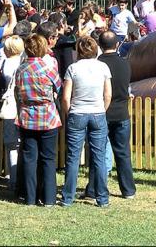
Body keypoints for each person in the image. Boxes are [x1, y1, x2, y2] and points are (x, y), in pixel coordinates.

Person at [60, 36, 113, 207]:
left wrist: (69, 113)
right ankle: (102, 198)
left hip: (77, 113)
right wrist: (102, 109)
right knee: (98, 157)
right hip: (97, 113)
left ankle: (68, 197)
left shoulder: (73, 68)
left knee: (73, 157)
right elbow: (108, 95)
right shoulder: (103, 67)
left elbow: (66, 97)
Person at [15, 33, 62, 207]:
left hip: (27, 116)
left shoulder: (20, 69)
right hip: (48, 116)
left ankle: (29, 197)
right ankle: (49, 198)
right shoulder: (48, 68)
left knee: (29, 158)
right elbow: (59, 86)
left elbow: (17, 91)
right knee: (48, 159)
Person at [97, 31, 136, 199]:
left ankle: (95, 189)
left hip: (102, 112)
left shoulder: (97, 64)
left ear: (99, 45)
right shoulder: (125, 64)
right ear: (117, 44)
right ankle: (128, 190)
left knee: (97, 154)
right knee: (123, 153)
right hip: (121, 112)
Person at [0, 35, 24, 190]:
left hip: (9, 106)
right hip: (22, 106)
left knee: (11, 145)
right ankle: (19, 177)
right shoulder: (22, 62)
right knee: (22, 144)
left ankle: (13, 178)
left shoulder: (5, 63)